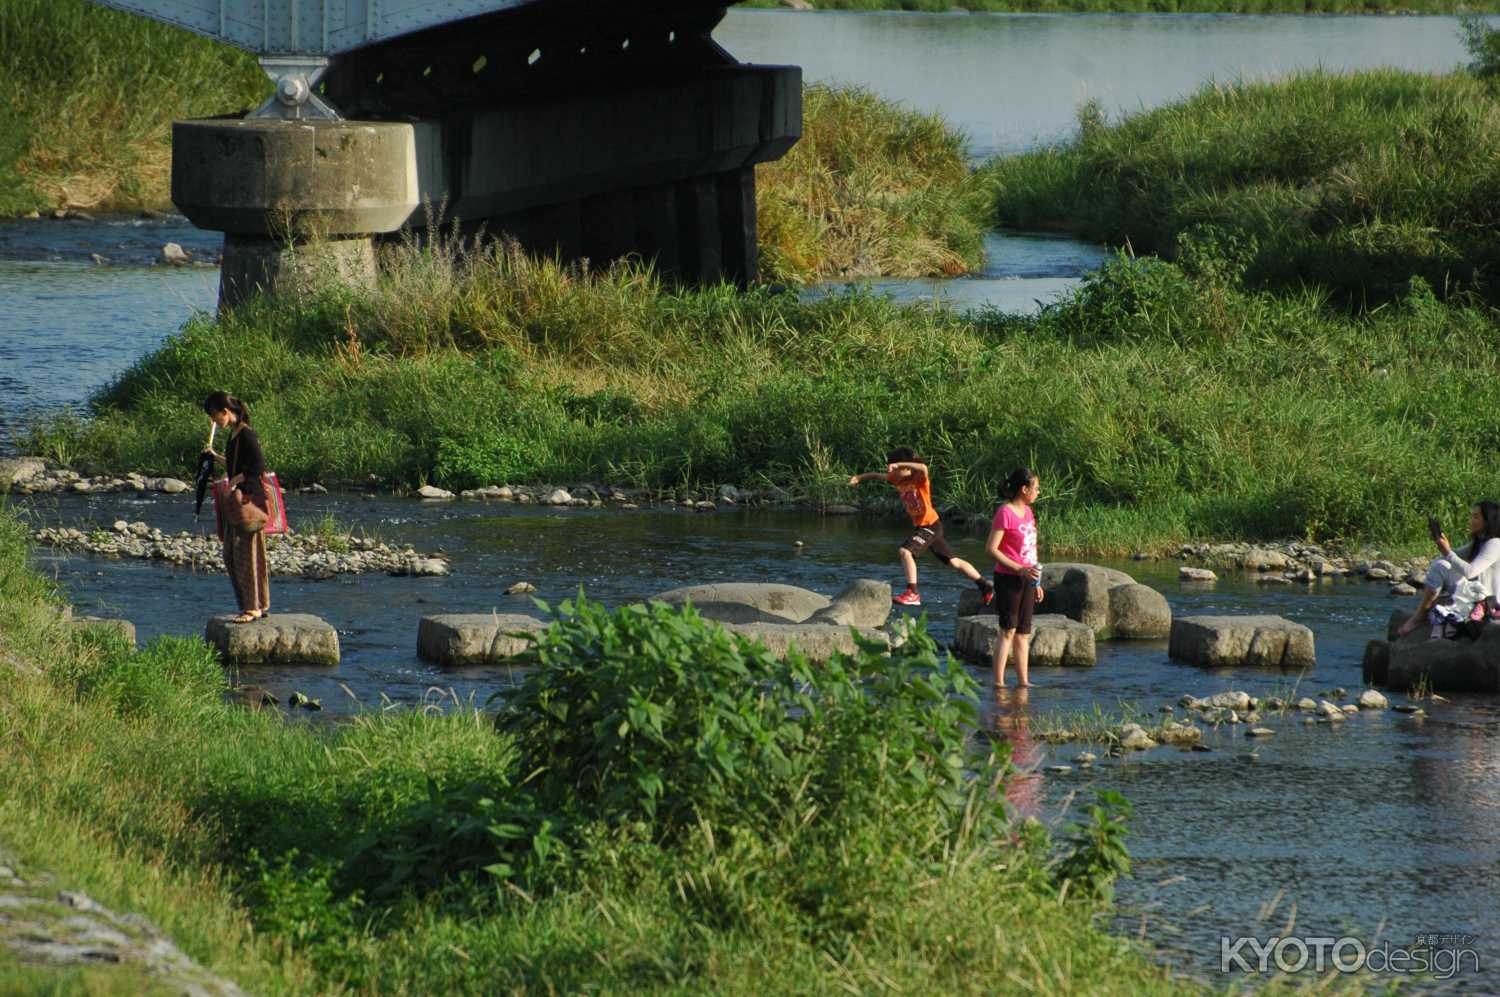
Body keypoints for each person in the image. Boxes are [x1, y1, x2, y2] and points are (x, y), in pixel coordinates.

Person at [848, 447, 994, 608]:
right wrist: (858, 477)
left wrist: (899, 464)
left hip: (929, 525)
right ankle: (985, 585)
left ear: (906, 467)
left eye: (895, 468)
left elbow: (923, 468)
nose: (892, 473)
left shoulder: (919, 479)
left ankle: (913, 593)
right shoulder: (896, 479)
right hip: (929, 527)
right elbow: (875, 475)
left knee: (905, 551)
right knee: (953, 562)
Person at [202, 391, 270, 624]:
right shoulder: (235, 434)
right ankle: (256, 605)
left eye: (214, 416)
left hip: (247, 502)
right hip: (238, 503)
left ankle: (253, 608)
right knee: (233, 555)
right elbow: (235, 465)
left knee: (245, 556)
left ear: (226, 412)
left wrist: (237, 481)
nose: (214, 421)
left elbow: (257, 467)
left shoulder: (246, 435)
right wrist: (214, 456)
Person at [1396, 501, 1500, 639]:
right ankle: (1424, 612)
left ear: (1488, 521)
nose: (1471, 521)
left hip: (1488, 602)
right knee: (1440, 564)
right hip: (1476, 594)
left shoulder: (1495, 544)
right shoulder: (1480, 542)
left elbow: (1471, 571)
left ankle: (1419, 617)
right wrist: (1444, 547)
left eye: (1476, 517)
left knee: (1440, 566)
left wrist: (1447, 552)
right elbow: (1448, 557)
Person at [985, 467, 1044, 688]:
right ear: (1024, 489)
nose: (1038, 492)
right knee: (1008, 630)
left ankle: (1023, 682)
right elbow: (991, 549)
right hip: (1008, 578)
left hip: (1028, 579)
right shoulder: (1005, 512)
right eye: (1036, 488)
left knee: (1023, 633)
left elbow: (1031, 551)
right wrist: (1019, 569)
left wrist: (1036, 581)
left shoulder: (1028, 512)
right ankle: (999, 683)